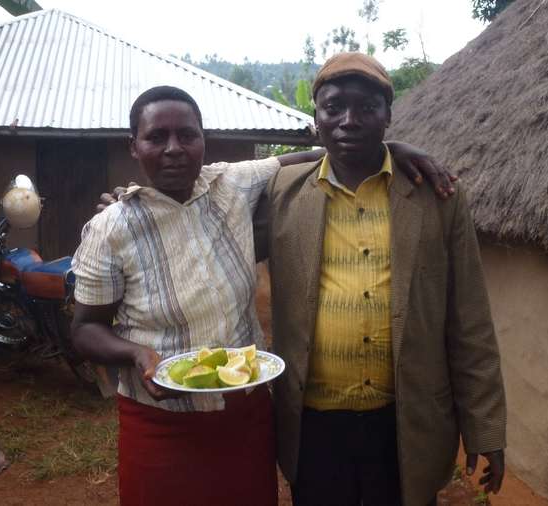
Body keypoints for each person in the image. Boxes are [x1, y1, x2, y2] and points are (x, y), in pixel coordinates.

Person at [71, 85, 452, 506]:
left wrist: (390, 149)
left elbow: (319, 155)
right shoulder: (111, 228)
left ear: (204, 140)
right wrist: (137, 355)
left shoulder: (231, 184)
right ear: (133, 147)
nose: (174, 148)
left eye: (187, 135)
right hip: (159, 423)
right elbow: (86, 328)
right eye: (156, 137)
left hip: (245, 415)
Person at [254, 52, 507, 506]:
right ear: (317, 116)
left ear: (389, 115)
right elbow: (208, 211)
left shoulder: (438, 196)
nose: (349, 120)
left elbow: (470, 318)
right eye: (334, 107)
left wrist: (484, 427)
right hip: (312, 424)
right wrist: (137, 203)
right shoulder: (282, 194)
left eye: (367, 107)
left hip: (406, 423)